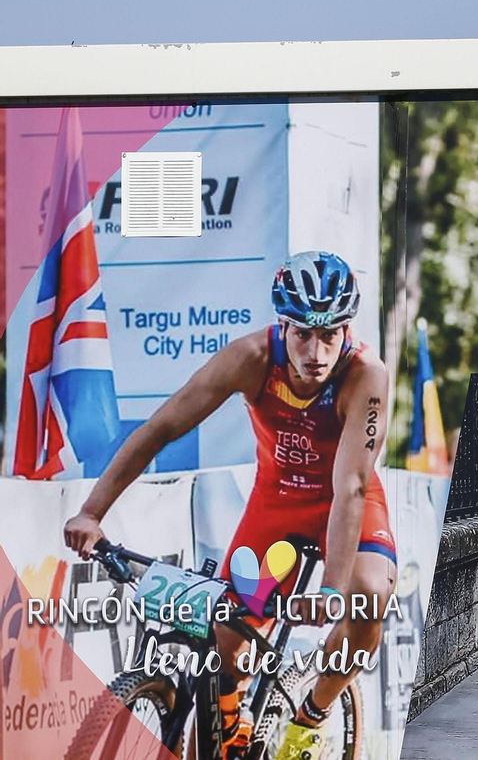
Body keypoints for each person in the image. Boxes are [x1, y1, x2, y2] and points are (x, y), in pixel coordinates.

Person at [63, 251, 398, 760]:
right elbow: (163, 427)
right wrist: (92, 511)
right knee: (227, 627)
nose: (316, 350)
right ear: (281, 325)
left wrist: (333, 588)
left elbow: (351, 487)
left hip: (346, 500)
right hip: (278, 503)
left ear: (345, 330)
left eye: (330, 334)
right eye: (303, 332)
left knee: (368, 596)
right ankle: (231, 729)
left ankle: (309, 720)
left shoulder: (365, 374)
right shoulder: (251, 358)